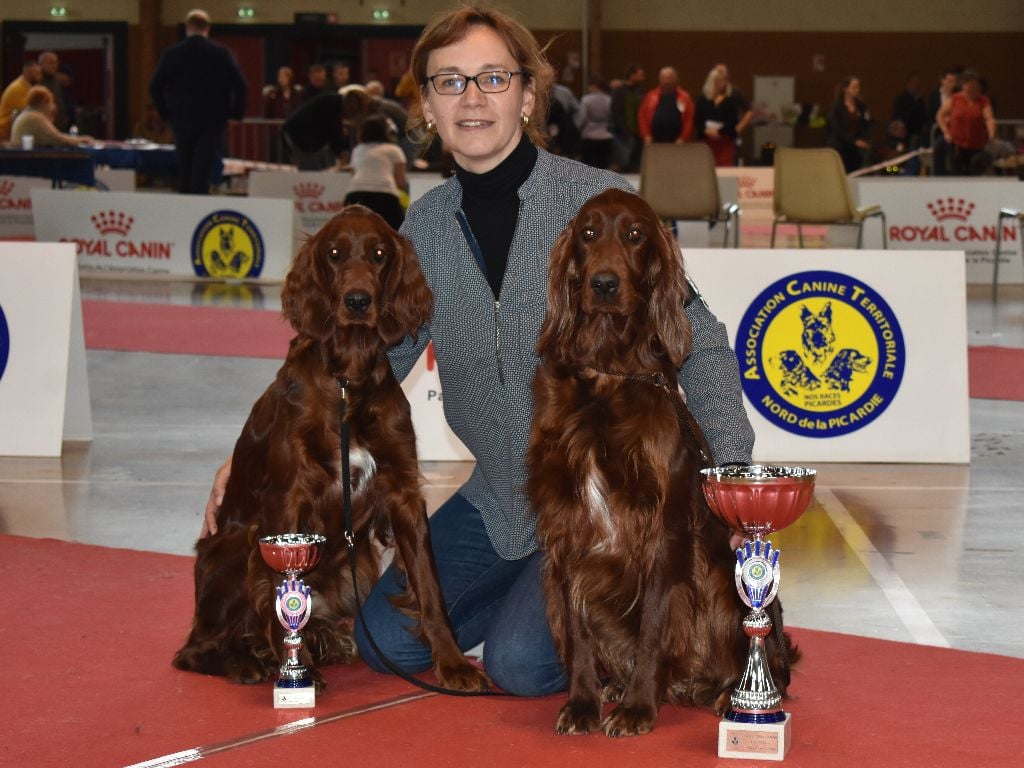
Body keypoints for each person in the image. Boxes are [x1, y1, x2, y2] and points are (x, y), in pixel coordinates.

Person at [202, 4, 753, 697]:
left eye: (492, 78)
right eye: (449, 81)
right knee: (381, 642)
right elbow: (367, 363)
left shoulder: (599, 200)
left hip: (605, 504)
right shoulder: (422, 229)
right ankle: (543, 605)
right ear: (426, 106)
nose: (471, 97)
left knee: (521, 668)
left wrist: (734, 478)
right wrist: (249, 450)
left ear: (527, 94)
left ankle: (603, 618)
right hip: (498, 500)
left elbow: (699, 345)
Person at [148, 9, 247, 194]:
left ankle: (185, 207)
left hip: (181, 119)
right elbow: (241, 86)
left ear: (188, 28)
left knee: (185, 168)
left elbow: (155, 86)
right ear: (207, 28)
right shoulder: (222, 53)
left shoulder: (172, 54)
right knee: (203, 169)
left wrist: (165, 114)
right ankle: (200, 205)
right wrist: (235, 114)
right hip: (213, 121)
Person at [343, 114, 408, 230]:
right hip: (384, 195)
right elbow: (401, 182)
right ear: (386, 131)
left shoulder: (358, 149)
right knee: (397, 233)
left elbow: (353, 175)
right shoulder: (394, 150)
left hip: (355, 194)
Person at [282, 87, 369, 170]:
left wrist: (340, 150)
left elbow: (333, 130)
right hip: (300, 136)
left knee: (314, 170)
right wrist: (341, 152)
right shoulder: (333, 104)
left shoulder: (334, 101)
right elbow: (333, 131)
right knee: (311, 174)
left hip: (302, 136)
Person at [936, 70, 996, 175]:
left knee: (974, 173)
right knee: (957, 172)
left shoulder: (983, 101)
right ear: (964, 86)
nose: (973, 90)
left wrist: (991, 134)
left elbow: (989, 119)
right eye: (970, 87)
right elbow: (940, 115)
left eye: (975, 87)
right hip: (957, 144)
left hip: (976, 145)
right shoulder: (955, 99)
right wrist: (946, 132)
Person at [694, 63, 752, 166]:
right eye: (719, 77)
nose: (722, 81)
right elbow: (698, 119)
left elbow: (747, 111)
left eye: (724, 78)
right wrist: (706, 130)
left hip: (726, 139)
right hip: (707, 140)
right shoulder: (703, 97)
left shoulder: (733, 94)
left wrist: (738, 128)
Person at [10, 85, 92, 148]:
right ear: (43, 103)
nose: (53, 107)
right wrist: (82, 140)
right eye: (51, 103)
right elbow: (56, 139)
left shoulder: (28, 114)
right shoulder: (35, 117)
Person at [637, 66, 694, 145]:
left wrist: (683, 138)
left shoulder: (685, 97)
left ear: (676, 79)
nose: (666, 81)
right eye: (663, 78)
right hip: (653, 141)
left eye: (670, 78)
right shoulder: (650, 96)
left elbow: (689, 119)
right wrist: (646, 135)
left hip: (677, 142)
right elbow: (642, 117)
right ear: (659, 79)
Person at [827, 75, 872, 173]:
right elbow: (837, 128)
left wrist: (864, 139)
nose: (857, 90)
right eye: (854, 87)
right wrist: (853, 141)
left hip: (856, 149)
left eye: (858, 87)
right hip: (840, 146)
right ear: (846, 89)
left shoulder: (861, 107)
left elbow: (866, 124)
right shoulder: (837, 107)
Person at [609, 64, 645, 172]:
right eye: (640, 75)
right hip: (623, 133)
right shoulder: (619, 91)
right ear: (632, 75)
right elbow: (616, 112)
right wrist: (624, 129)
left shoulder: (640, 91)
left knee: (636, 164)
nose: (643, 77)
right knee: (621, 163)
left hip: (638, 132)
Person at [575, 76, 613, 169]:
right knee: (604, 167)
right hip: (606, 135)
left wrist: (577, 129)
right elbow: (612, 117)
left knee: (588, 169)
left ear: (594, 86)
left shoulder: (586, 99)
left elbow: (582, 118)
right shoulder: (609, 99)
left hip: (589, 136)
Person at [0, 61, 42, 143]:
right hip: (4, 135)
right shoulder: (17, 88)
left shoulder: (27, 87)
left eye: (40, 73)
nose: (40, 76)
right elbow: (30, 113)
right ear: (27, 72)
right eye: (37, 73)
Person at [38, 51, 72, 131]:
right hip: (45, 126)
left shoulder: (56, 80)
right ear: (41, 64)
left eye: (56, 62)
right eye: (51, 63)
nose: (55, 65)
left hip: (61, 125)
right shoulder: (37, 81)